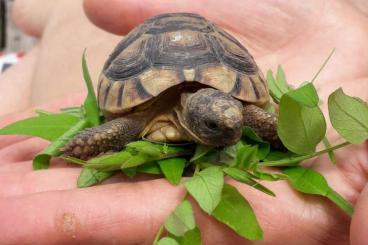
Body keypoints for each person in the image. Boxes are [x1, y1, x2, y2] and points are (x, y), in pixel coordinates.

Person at [0, 0, 367, 244]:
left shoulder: (236, 114)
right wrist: (81, 146)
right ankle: (37, 11)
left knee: (48, 36)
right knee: (48, 18)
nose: (232, 130)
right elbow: (117, 127)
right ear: (192, 116)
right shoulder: (144, 114)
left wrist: (288, 141)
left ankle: (41, 14)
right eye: (215, 127)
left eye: (232, 120)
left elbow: (249, 118)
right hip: (149, 69)